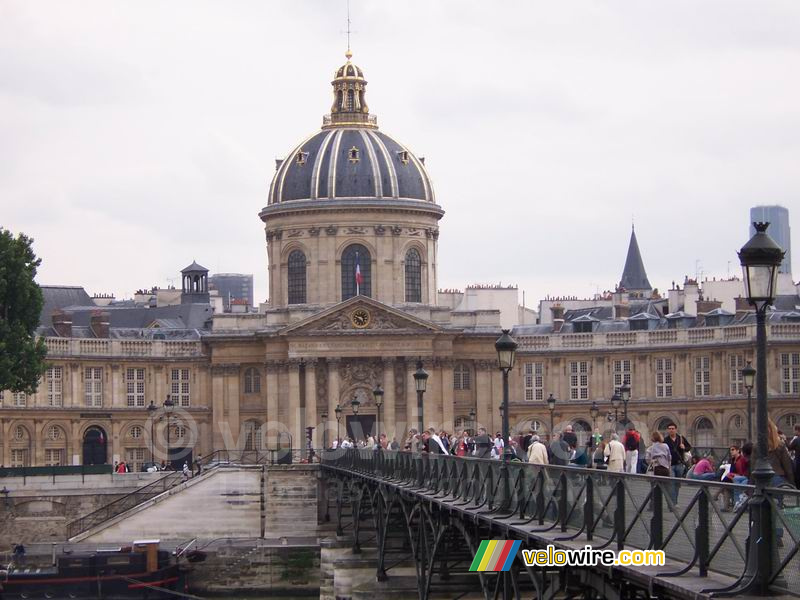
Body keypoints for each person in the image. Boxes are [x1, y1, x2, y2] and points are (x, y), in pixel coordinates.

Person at [767, 418, 795, 488]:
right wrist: (792, 484)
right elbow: (787, 467)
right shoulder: (780, 445)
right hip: (777, 478)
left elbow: (753, 467)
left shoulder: (756, 446)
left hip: (760, 480)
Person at [788, 424, 800, 489]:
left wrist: (784, 439)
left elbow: (789, 448)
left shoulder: (796, 440)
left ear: (797, 430)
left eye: (794, 430)